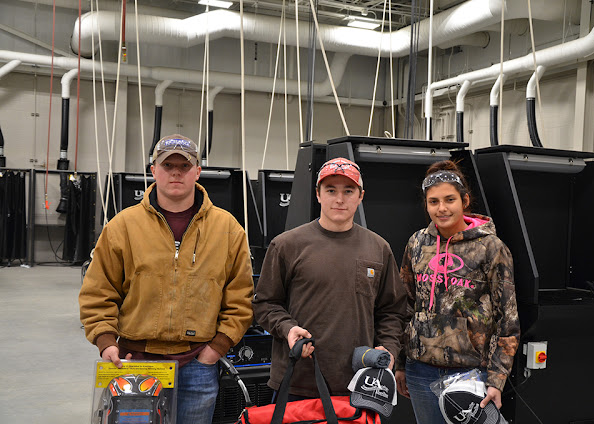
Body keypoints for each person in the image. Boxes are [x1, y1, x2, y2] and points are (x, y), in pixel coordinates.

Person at [79, 134, 254, 424]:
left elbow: (240, 297)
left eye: (184, 166)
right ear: (153, 170)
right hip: (135, 361)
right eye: (167, 164)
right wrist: (106, 341)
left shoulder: (227, 229)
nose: (175, 172)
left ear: (197, 172)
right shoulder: (123, 226)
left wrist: (216, 349)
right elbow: (98, 291)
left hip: (198, 364)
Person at [253, 157, 407, 399]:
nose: (339, 199)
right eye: (331, 190)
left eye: (348, 191)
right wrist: (288, 328)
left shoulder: (378, 248)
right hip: (297, 382)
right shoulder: (286, 245)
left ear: (361, 196)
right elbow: (265, 304)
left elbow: (393, 311)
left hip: (360, 382)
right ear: (318, 194)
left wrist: (388, 350)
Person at [395, 160, 520, 424]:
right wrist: (400, 363)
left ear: (464, 200)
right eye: (433, 201)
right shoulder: (417, 243)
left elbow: (507, 321)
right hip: (421, 370)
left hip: (471, 374)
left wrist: (497, 379)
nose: (441, 208)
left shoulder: (491, 248)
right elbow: (404, 307)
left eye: (449, 199)